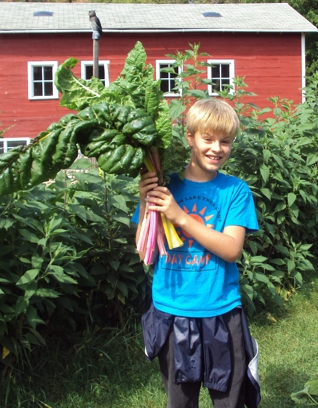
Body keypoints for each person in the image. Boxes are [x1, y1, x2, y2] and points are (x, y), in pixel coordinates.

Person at [131, 98, 260, 408]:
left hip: (221, 311)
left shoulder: (235, 191)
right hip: (173, 313)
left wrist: (181, 218)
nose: (217, 148)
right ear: (190, 137)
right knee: (181, 403)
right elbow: (143, 253)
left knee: (229, 401)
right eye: (208, 138)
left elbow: (231, 250)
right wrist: (146, 202)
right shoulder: (164, 187)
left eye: (225, 141)